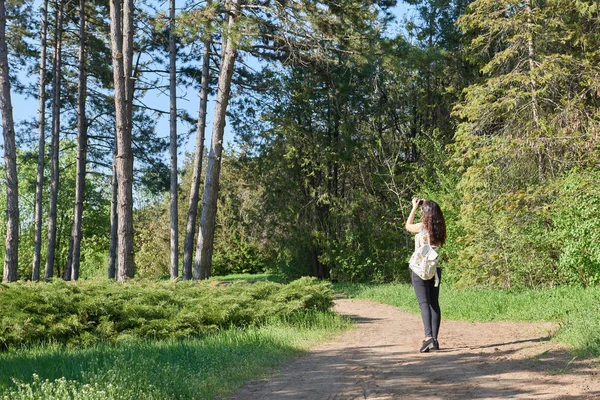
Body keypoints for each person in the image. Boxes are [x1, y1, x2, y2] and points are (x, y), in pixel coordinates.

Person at [405, 198, 447, 353]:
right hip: (434, 270)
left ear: (425, 213)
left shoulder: (422, 227)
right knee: (434, 303)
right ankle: (434, 340)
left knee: (424, 304)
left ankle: (428, 338)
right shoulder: (439, 229)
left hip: (420, 270)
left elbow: (408, 225)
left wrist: (414, 207)